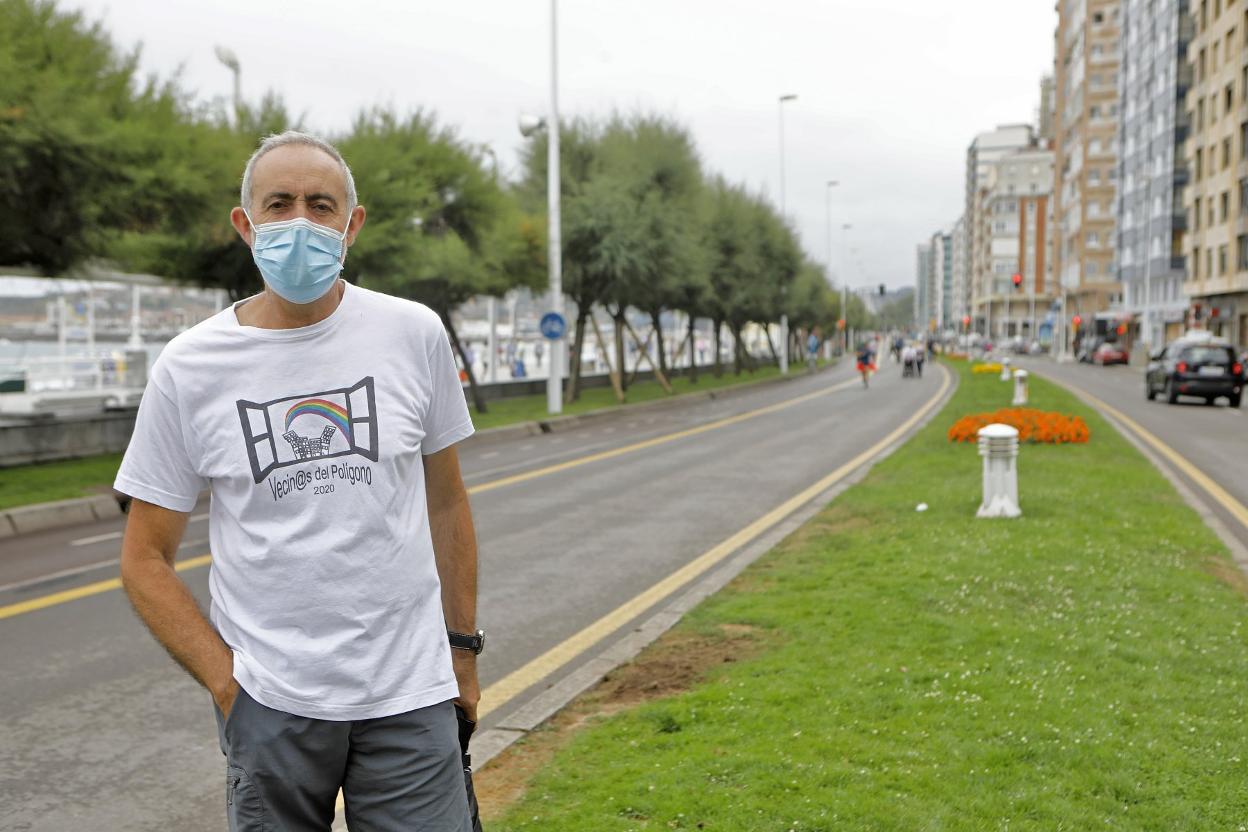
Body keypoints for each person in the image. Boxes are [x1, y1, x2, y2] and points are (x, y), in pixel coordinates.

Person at [115, 131, 481, 831]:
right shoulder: (190, 368)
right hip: (273, 708)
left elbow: (448, 504)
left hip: (410, 697)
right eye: (278, 205)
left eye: (321, 205)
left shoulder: (413, 334)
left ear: (354, 223)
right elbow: (143, 560)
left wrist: (461, 653)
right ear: (245, 225)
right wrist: (230, 689)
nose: (301, 223)